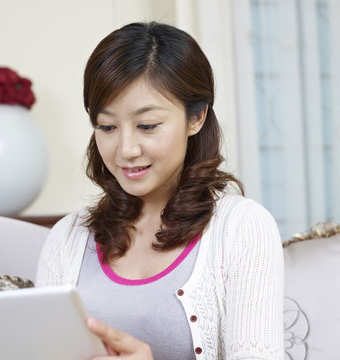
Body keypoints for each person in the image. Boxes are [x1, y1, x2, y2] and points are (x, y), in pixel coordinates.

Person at [36, 22, 284, 359]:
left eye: (147, 126)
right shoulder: (67, 239)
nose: (126, 149)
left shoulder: (242, 228)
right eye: (106, 127)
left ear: (196, 117)